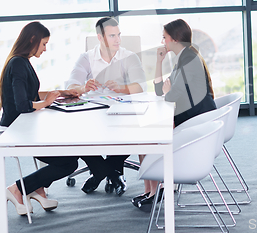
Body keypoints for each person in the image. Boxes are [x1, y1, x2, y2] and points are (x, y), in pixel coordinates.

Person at [132, 18, 216, 211]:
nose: (163, 42)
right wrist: (159, 61)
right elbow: (162, 91)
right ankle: (152, 191)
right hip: (192, 118)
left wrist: (170, 91)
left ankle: (157, 191)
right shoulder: (184, 57)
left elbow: (169, 97)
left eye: (164, 38)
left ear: (175, 38)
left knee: (149, 138)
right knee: (148, 137)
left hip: (196, 124)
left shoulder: (188, 60)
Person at [0, 21, 80, 215]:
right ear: (33, 39)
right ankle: (19, 188)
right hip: (16, 131)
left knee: (69, 154)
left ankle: (37, 187)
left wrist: (60, 93)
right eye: (44, 44)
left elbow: (30, 95)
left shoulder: (22, 61)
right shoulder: (18, 63)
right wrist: (46, 102)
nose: (45, 49)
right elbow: (23, 105)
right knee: (69, 162)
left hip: (24, 126)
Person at [66, 17, 147, 196]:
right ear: (100, 38)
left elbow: (142, 86)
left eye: (119, 35)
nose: (118, 39)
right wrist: (83, 87)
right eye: (112, 36)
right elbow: (71, 87)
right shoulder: (87, 58)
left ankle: (100, 173)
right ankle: (111, 173)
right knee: (77, 134)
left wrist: (122, 88)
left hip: (123, 112)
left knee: (133, 134)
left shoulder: (129, 57)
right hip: (93, 112)